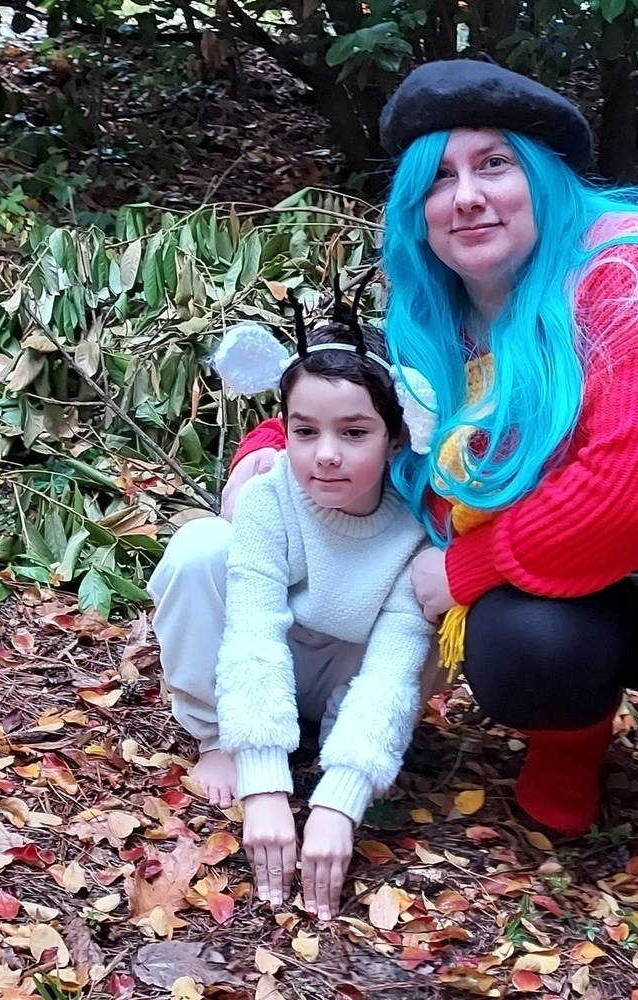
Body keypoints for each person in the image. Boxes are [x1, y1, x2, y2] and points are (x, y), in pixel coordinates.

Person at [225, 59, 638, 905]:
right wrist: (268, 448)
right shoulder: (437, 309)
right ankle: (572, 742)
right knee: (517, 646)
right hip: (583, 563)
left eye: (494, 164)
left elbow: (634, 492)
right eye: (439, 179)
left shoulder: (635, 272)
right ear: (417, 212)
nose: (467, 197)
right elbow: (366, 397)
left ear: (546, 177)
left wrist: (460, 570)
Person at [148, 284, 435, 920]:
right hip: (266, 663)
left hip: (348, 675)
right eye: (305, 431)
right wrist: (262, 782)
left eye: (354, 432)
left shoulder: (415, 528)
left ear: (395, 437)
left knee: (440, 604)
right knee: (200, 546)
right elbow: (252, 630)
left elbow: (392, 670)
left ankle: (332, 748)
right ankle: (215, 732)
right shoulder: (270, 497)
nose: (325, 454)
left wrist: (339, 800)